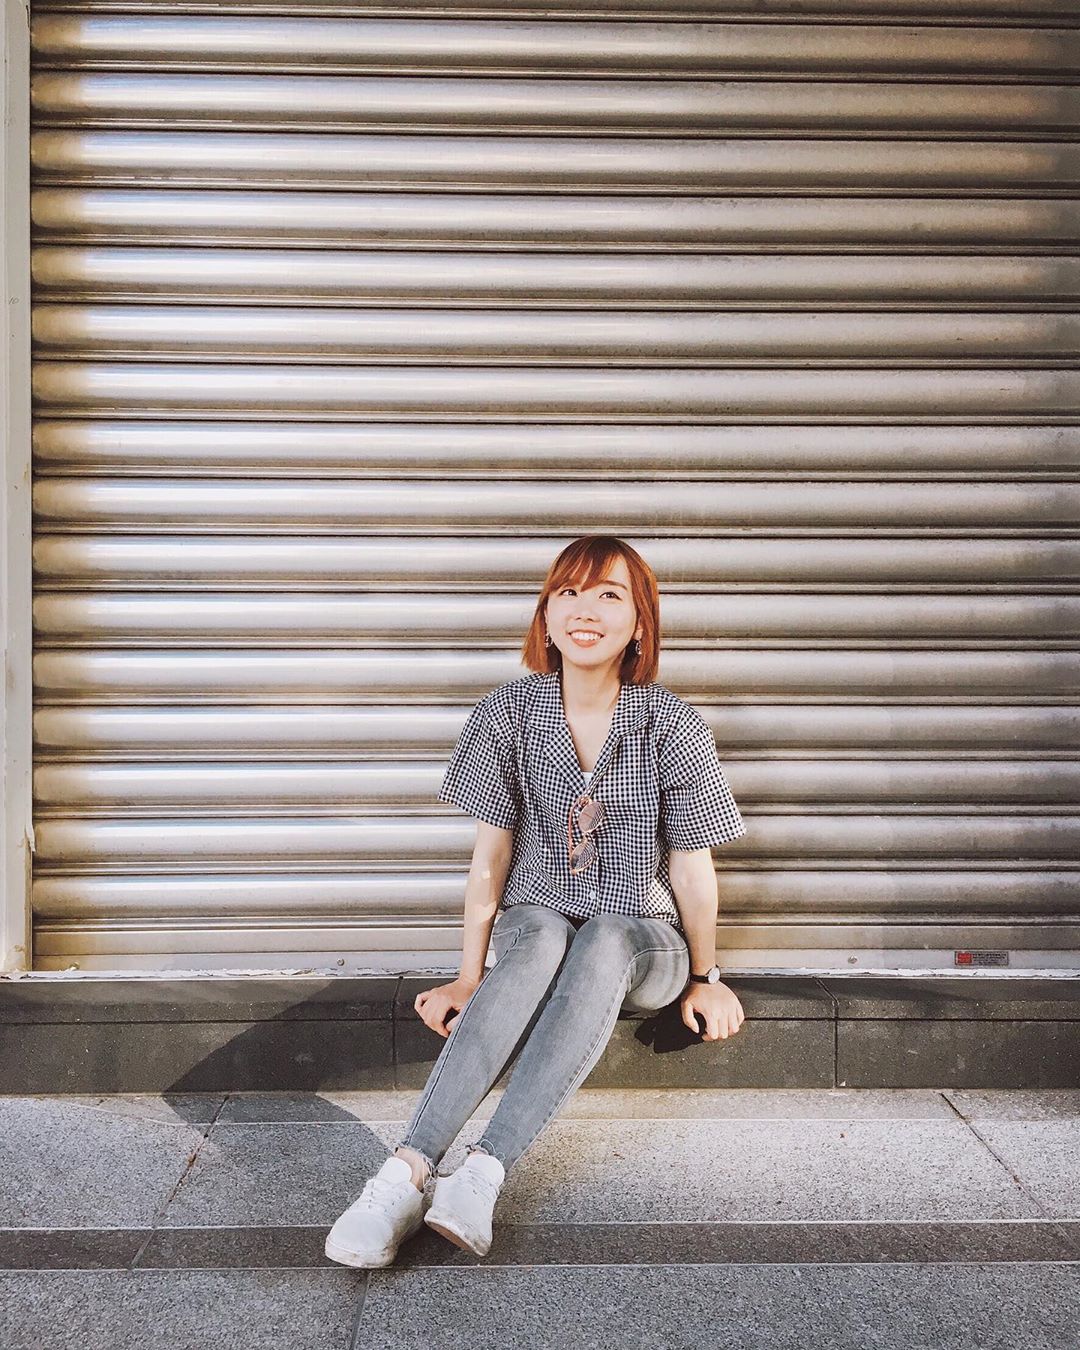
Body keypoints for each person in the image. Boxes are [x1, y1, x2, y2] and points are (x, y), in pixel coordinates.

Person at [324, 535, 747, 1269]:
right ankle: (406, 1175)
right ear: (546, 616)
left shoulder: (672, 725)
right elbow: (490, 858)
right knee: (546, 932)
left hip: (642, 941)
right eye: (568, 593)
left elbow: (690, 863)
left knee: (606, 934)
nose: (586, 610)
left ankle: (484, 1171)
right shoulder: (506, 714)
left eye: (610, 595)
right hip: (537, 925)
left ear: (639, 623)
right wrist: (467, 976)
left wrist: (707, 978)